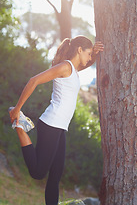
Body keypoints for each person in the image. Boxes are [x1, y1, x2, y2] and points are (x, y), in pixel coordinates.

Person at [9, 35, 104, 205]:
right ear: (79, 50)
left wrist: (94, 54)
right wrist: (17, 109)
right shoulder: (65, 67)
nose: (90, 58)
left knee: (55, 175)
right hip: (51, 124)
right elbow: (34, 80)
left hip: (60, 127)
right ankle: (20, 126)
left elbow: (88, 63)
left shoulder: (73, 70)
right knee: (38, 173)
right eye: (88, 54)